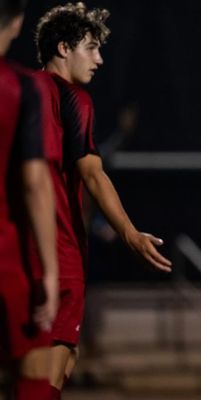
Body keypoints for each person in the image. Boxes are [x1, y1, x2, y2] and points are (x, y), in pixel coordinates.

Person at [33, 2, 172, 395]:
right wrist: (130, 234)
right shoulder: (73, 99)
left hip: (17, 250)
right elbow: (92, 172)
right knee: (49, 374)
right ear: (63, 48)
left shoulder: (18, 90)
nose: (99, 59)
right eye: (91, 47)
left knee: (37, 366)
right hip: (60, 253)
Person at [0, 0, 59, 398]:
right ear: (18, 22)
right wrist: (51, 273)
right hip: (8, 257)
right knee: (33, 372)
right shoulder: (21, 87)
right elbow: (35, 182)